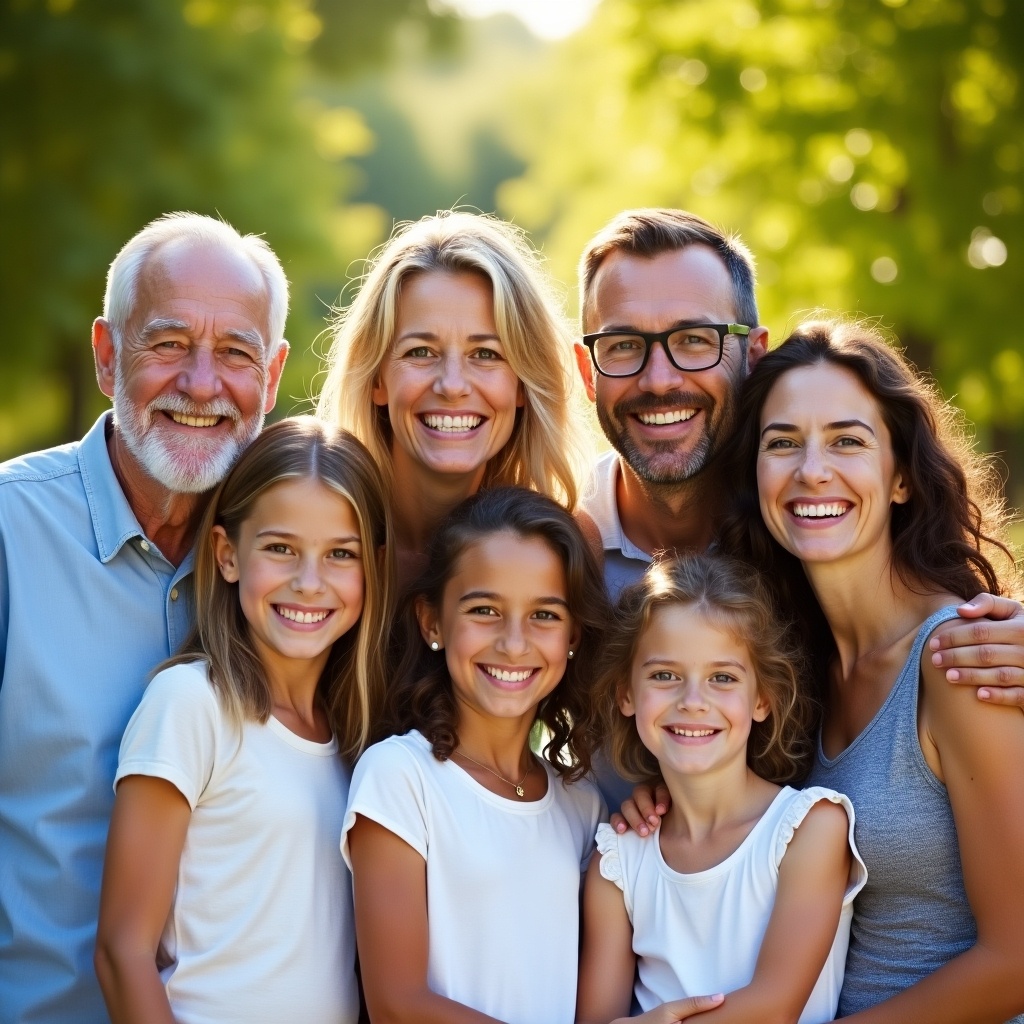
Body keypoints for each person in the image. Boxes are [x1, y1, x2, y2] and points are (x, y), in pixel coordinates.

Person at [0, 212, 289, 1022]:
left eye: (235, 352)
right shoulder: (8, 535)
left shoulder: (293, 574)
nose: (202, 384)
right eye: (167, 344)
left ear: (270, 379)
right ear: (106, 354)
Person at [573, 208, 1024, 701]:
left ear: (753, 355)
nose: (659, 380)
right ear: (586, 369)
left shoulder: (813, 524)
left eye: (695, 340)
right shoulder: (558, 552)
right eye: (622, 346)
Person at [722, 320, 1024, 1021]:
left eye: (847, 441)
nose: (811, 470)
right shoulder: (797, 669)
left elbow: (1017, 960)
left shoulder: (961, 658)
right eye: (782, 443)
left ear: (901, 480)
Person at [344, 487, 683, 1024]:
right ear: (432, 621)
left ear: (574, 633)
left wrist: (659, 814)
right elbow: (397, 1004)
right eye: (484, 610)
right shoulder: (399, 778)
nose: (514, 642)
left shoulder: (581, 805)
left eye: (545, 615)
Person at [94, 417, 393, 1024]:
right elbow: (121, 952)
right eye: (281, 548)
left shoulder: (359, 741)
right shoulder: (190, 705)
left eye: (341, 554)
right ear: (228, 555)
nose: (309, 583)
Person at [578, 553, 866, 1024]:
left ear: (762, 699)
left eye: (722, 678)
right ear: (625, 694)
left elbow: (773, 1008)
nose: (693, 702)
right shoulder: (617, 861)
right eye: (664, 676)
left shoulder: (808, 828)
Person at [316, 211, 589, 585]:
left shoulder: (562, 553)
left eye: (486, 354)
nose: (452, 385)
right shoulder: (310, 537)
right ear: (376, 378)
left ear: (523, 384)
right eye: (421, 351)